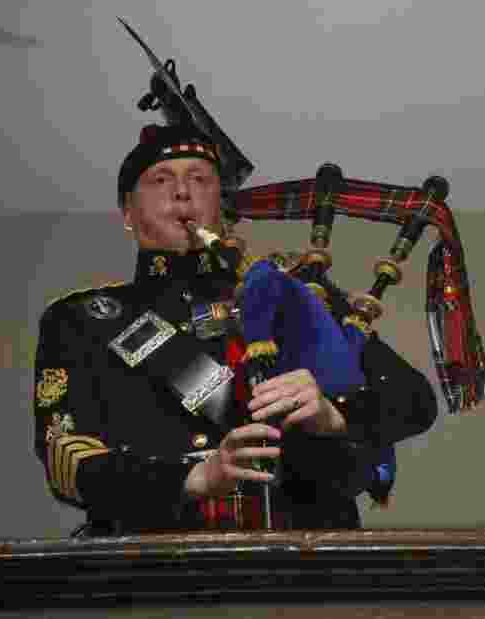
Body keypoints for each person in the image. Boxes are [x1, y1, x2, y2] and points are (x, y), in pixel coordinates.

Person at [32, 123, 438, 534]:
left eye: (200, 179)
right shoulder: (82, 318)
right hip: (150, 567)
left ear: (221, 207)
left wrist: (334, 415)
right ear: (127, 212)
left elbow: (413, 400)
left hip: (307, 562)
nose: (183, 192)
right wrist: (195, 479)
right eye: (160, 180)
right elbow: (66, 461)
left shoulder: (285, 290)